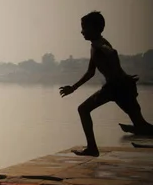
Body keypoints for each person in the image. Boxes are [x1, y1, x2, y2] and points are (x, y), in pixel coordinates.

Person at [59, 11, 153, 157]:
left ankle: (92, 149)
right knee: (139, 125)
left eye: (85, 28)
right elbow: (91, 72)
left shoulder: (101, 45)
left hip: (118, 87)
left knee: (140, 125)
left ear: (96, 29)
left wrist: (124, 77)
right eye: (82, 27)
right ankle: (92, 148)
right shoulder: (94, 46)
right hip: (115, 87)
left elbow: (112, 53)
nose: (82, 31)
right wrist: (73, 88)